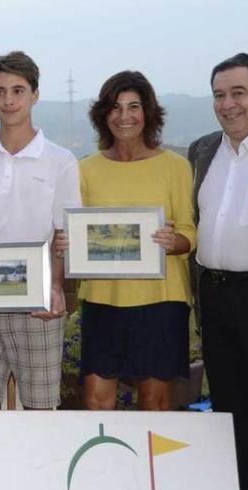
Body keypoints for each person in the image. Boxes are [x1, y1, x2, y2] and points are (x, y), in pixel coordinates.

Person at [0, 51, 80, 410]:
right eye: (0, 91)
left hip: (37, 307)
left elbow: (62, 236)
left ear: (35, 95)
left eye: (18, 90)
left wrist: (54, 287)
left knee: (39, 413)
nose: (9, 100)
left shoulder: (61, 161)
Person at [65, 71, 195, 411]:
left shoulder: (176, 167)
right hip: (102, 300)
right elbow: (79, 234)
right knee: (95, 401)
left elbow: (190, 234)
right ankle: (101, 466)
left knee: (155, 402)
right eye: (116, 108)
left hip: (161, 302)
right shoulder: (85, 170)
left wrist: (174, 240)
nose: (125, 117)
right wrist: (70, 243)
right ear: (103, 115)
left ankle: (152, 467)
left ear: (148, 112)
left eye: (134, 106)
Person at [190, 53, 248, 490]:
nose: (228, 104)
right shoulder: (203, 150)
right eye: (220, 95)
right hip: (216, 298)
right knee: (230, 412)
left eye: (238, 93)